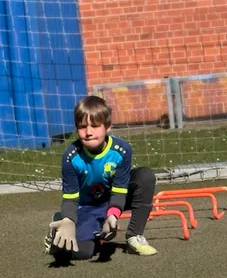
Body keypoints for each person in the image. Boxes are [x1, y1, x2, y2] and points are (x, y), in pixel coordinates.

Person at [44, 95, 157, 261]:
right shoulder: (70, 156)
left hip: (114, 199)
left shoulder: (122, 150)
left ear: (108, 127)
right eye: (82, 127)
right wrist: (69, 220)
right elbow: (70, 198)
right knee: (83, 252)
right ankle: (59, 227)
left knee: (144, 176)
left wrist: (112, 215)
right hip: (87, 208)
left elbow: (120, 189)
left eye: (95, 126)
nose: (89, 132)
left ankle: (134, 236)